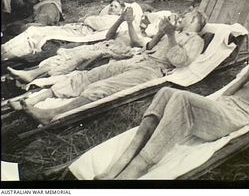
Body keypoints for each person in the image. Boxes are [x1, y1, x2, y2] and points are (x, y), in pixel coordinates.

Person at [92, 36, 249, 179]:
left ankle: (133, 172)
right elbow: (227, 95)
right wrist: (248, 75)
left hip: (237, 117)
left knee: (182, 98)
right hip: (221, 108)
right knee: (166, 91)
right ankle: (120, 163)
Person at [17, 8, 207, 124]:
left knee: (103, 87)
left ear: (194, 21)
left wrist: (171, 36)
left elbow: (180, 61)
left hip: (152, 71)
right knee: (92, 75)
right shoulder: (172, 32)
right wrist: (161, 33)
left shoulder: (195, 40)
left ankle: (52, 114)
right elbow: (149, 47)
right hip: (139, 59)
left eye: (187, 16)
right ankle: (41, 97)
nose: (182, 17)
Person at [7, 7, 141, 83]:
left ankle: (31, 74)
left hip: (115, 51)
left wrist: (129, 23)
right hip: (105, 45)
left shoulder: (138, 33)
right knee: (65, 54)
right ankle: (30, 73)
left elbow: (135, 42)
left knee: (78, 56)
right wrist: (121, 19)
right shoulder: (122, 27)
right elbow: (108, 36)